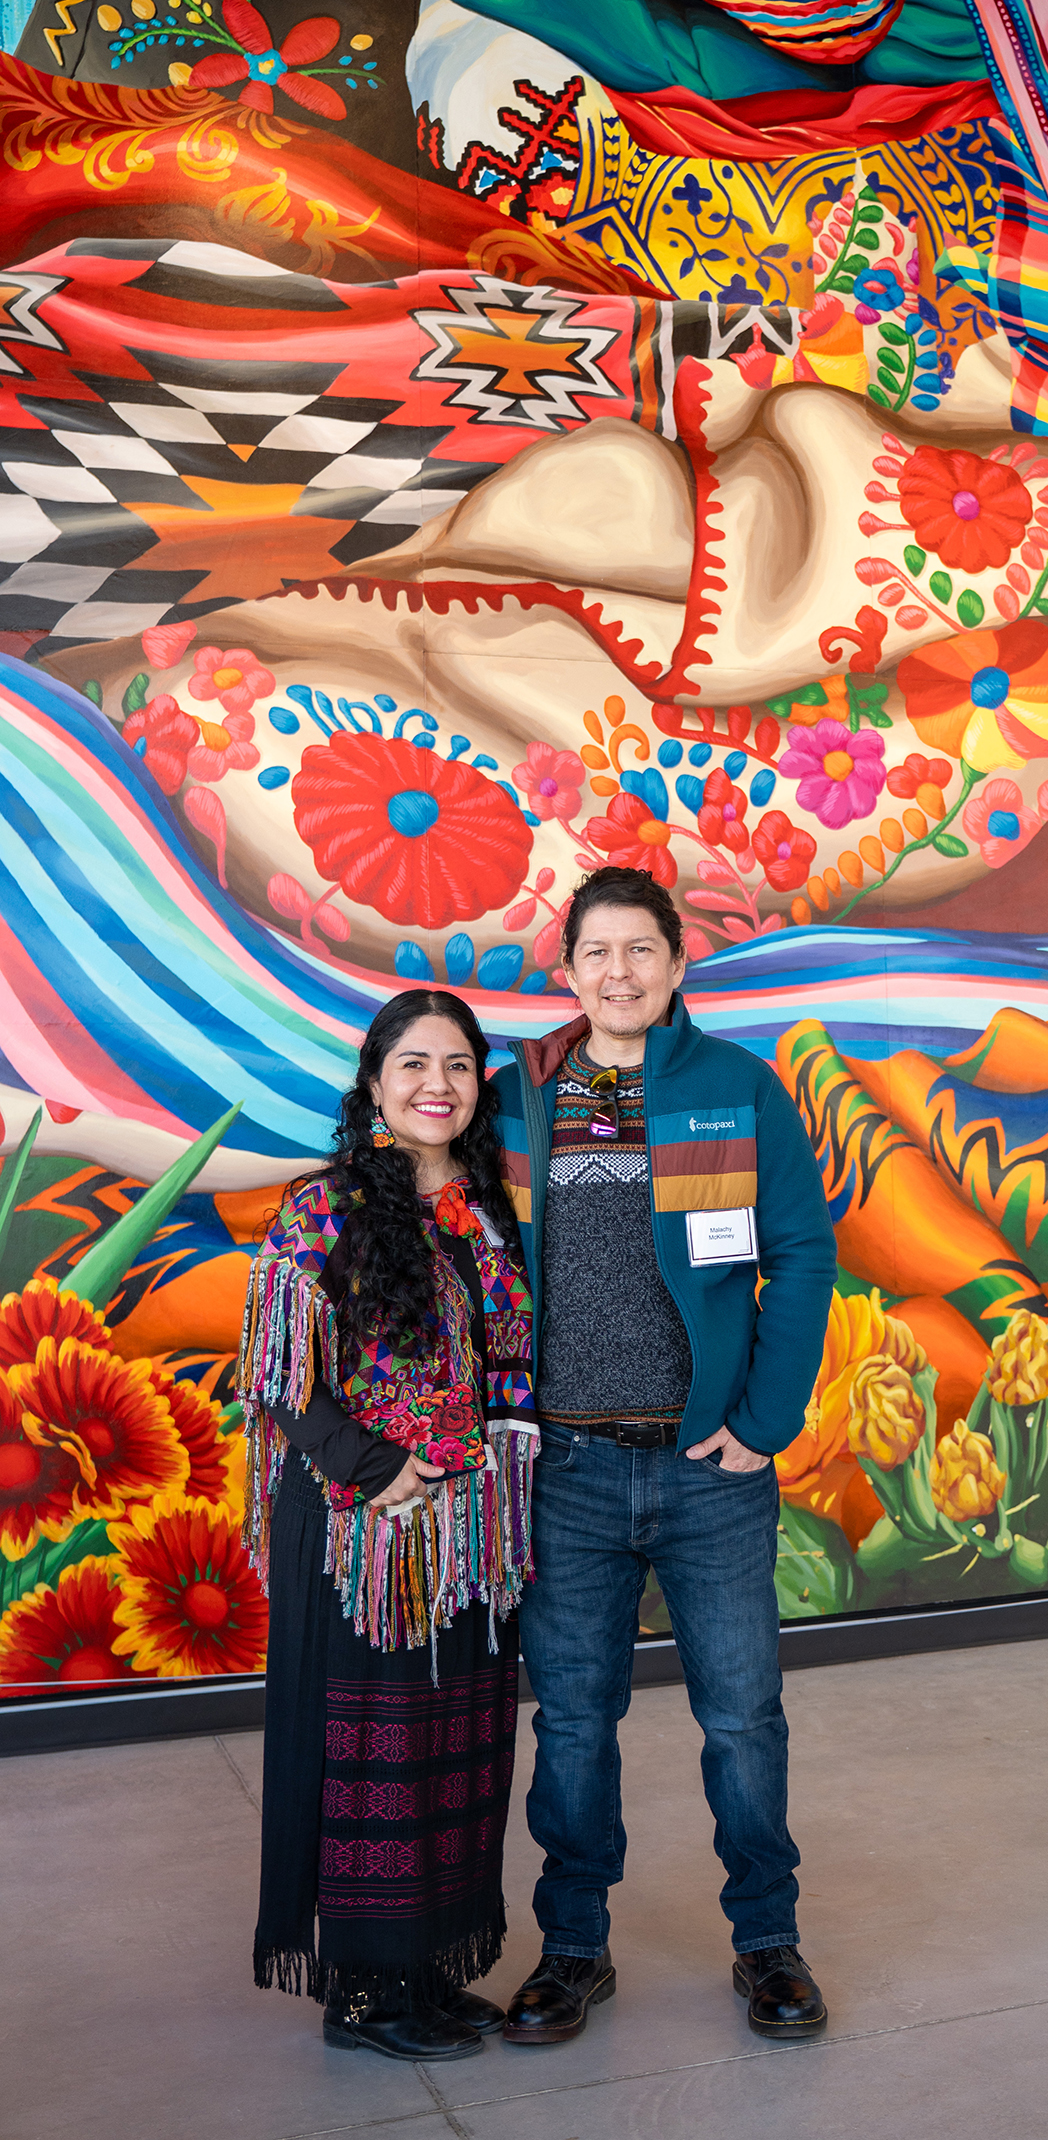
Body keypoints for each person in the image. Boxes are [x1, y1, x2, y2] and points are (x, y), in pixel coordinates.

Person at [493, 866, 837, 2044]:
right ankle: (573, 1947)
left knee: (743, 1718)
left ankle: (768, 1942)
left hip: (710, 1473)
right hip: (568, 1477)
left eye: (643, 951)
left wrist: (764, 1423)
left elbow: (799, 1253)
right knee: (574, 1724)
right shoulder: (519, 1097)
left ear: (678, 966)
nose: (620, 973)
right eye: (598, 953)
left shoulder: (733, 1089)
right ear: (570, 970)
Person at [236, 989, 537, 2060]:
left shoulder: (488, 1208)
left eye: (457, 1067)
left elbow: (509, 1365)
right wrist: (371, 1468)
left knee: (455, 1745)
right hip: (360, 1527)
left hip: (465, 1534)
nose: (436, 1087)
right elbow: (276, 1369)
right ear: (374, 1083)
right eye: (413, 1066)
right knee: (372, 1751)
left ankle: (422, 1963)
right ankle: (361, 1994)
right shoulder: (322, 1209)